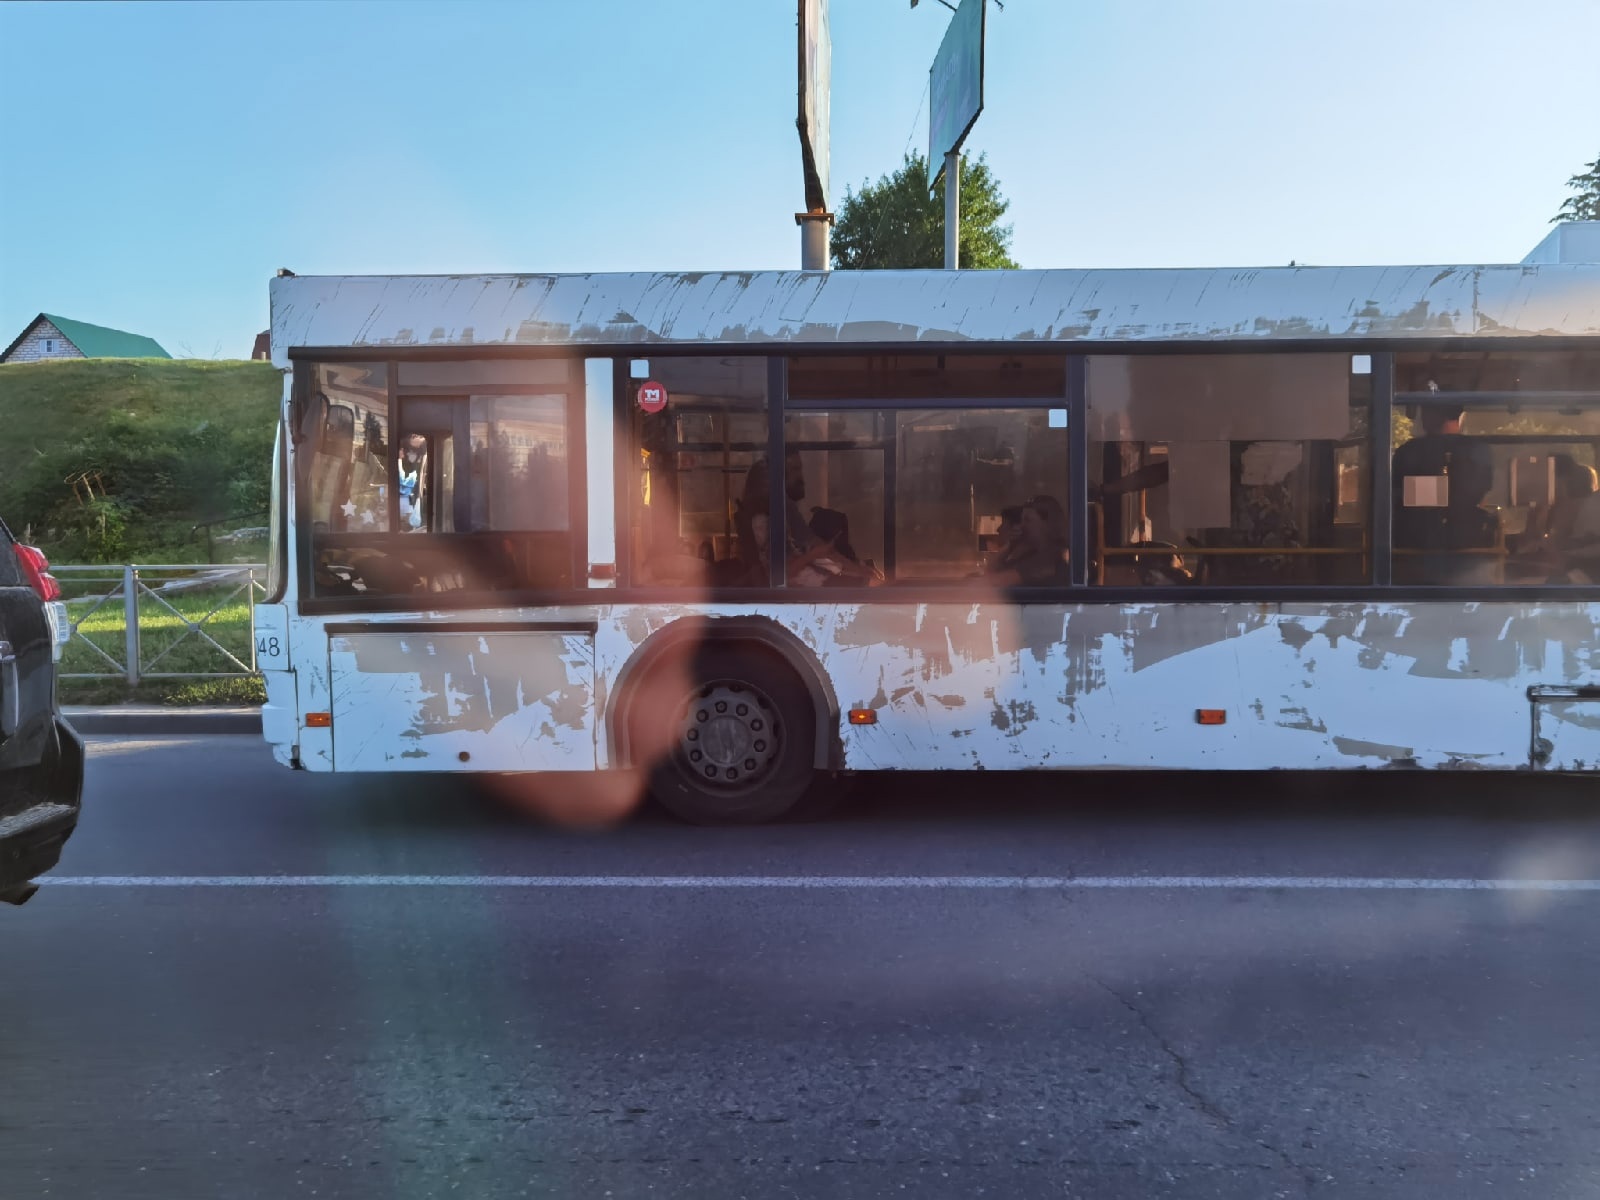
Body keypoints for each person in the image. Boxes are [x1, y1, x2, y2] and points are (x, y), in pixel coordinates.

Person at [988, 495, 1070, 586]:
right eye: (1022, 520)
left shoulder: (1048, 561)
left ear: (1047, 524)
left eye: (1028, 520)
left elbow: (991, 582)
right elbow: (992, 572)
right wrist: (1010, 546)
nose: (1022, 525)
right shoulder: (1027, 555)